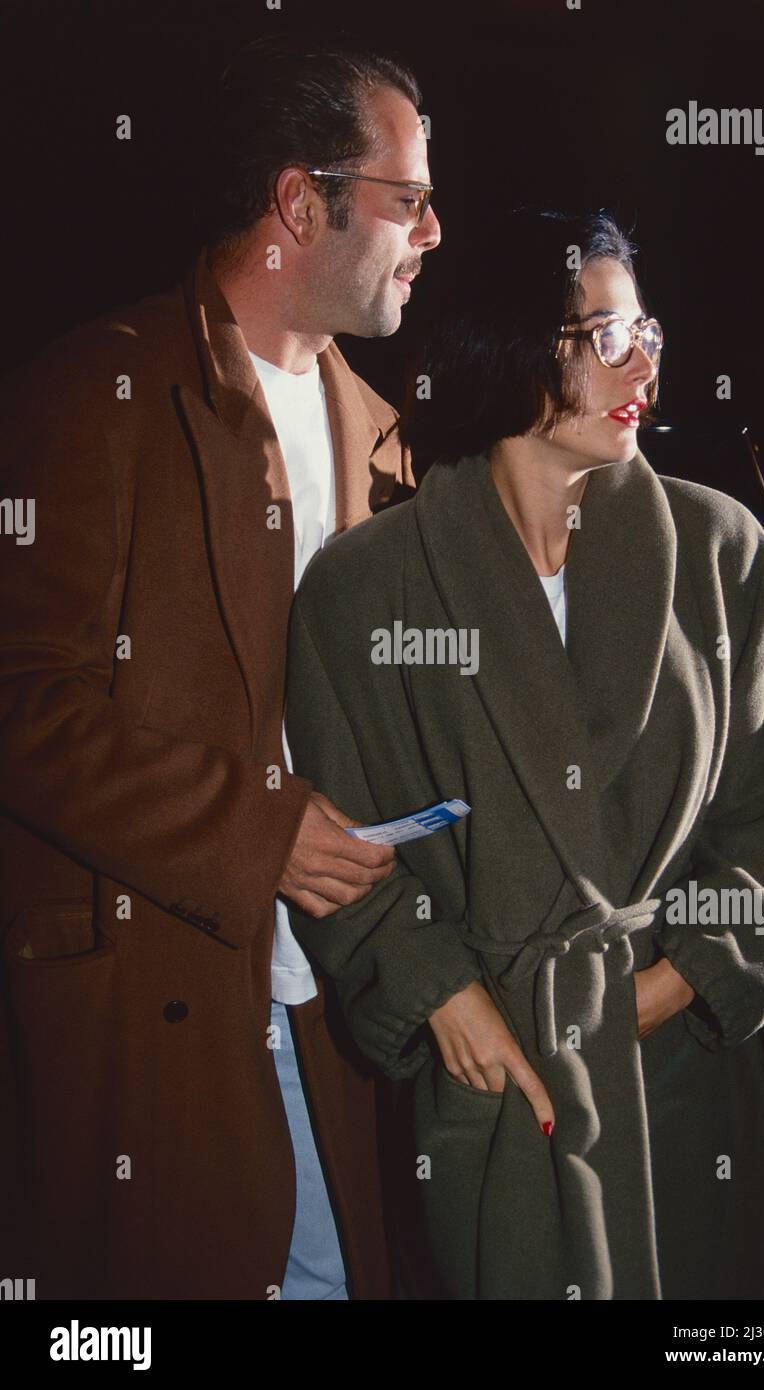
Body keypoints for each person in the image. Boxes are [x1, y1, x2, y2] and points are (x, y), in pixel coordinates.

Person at [284, 208, 764, 1300]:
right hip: (492, 1083)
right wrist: (443, 994)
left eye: (649, 333)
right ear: (512, 346)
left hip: (673, 1069)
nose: (645, 367)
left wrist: (668, 986)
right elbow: (344, 849)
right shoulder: (363, 589)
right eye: (606, 335)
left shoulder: (723, 553)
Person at [0, 34, 439, 1300]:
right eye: (408, 199)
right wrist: (255, 834)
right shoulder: (95, 393)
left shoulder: (387, 443)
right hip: (161, 1013)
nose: (434, 230)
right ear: (302, 205)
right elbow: (21, 703)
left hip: (333, 1003)